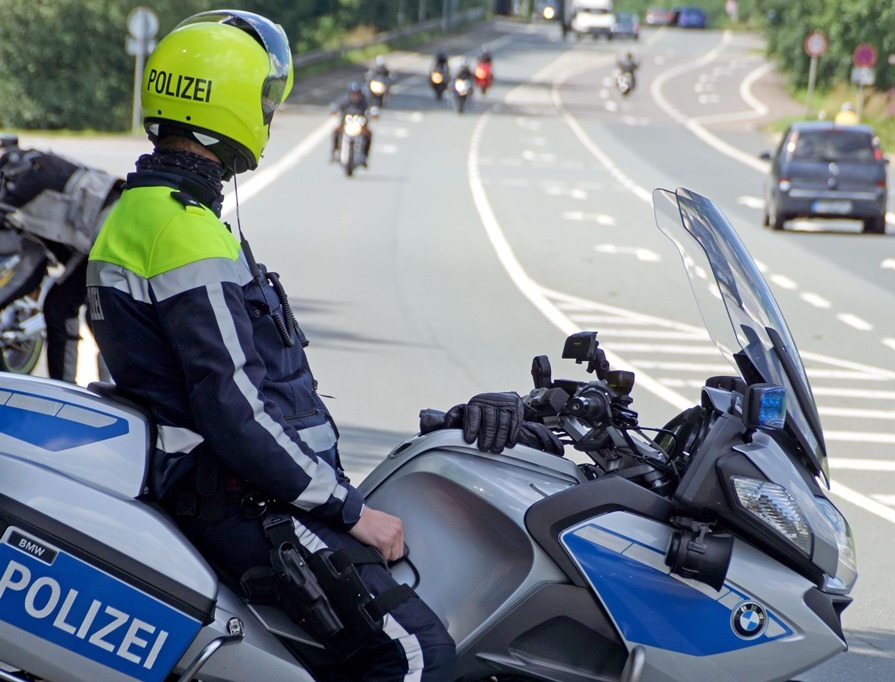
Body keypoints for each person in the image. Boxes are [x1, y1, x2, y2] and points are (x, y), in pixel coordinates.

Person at [83, 10, 545, 679]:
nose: (269, 115)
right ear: (229, 101)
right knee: (414, 653)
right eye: (265, 100)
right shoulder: (187, 231)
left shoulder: (135, 211)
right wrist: (349, 511)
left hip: (216, 488)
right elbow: (234, 409)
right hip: (240, 500)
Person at [0, 139, 121, 382]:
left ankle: (107, 394)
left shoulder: (21, 181)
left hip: (110, 233)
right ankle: (67, 390)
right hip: (97, 232)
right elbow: (31, 264)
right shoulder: (22, 169)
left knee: (75, 310)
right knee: (67, 308)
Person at [331, 82, 374, 165]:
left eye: (357, 94)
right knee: (336, 131)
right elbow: (338, 107)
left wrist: (372, 115)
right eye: (353, 94)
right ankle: (335, 151)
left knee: (368, 134)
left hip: (360, 126)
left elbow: (370, 110)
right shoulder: (345, 101)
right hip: (346, 124)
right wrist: (334, 111)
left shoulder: (364, 102)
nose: (356, 96)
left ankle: (364, 156)